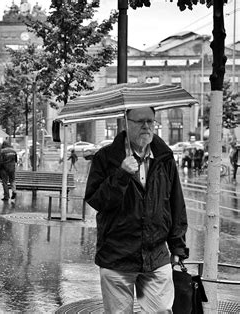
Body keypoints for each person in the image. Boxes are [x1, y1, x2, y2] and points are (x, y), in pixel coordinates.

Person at [85, 107, 189, 313]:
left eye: (150, 121)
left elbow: (176, 203)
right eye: (140, 121)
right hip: (117, 257)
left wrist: (177, 247)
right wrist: (121, 174)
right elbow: (96, 200)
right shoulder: (106, 158)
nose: (146, 126)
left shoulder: (164, 157)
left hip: (156, 256)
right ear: (126, 122)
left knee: (161, 311)